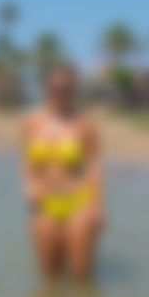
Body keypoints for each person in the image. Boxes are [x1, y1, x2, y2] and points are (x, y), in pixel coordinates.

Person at [21, 64, 104, 281]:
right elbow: (28, 163)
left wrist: (97, 205)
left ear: (74, 90)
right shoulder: (32, 122)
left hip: (79, 204)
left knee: (81, 276)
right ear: (45, 89)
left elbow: (94, 164)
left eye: (65, 89)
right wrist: (30, 186)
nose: (59, 93)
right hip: (44, 206)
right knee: (49, 277)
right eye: (54, 88)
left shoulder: (84, 123)